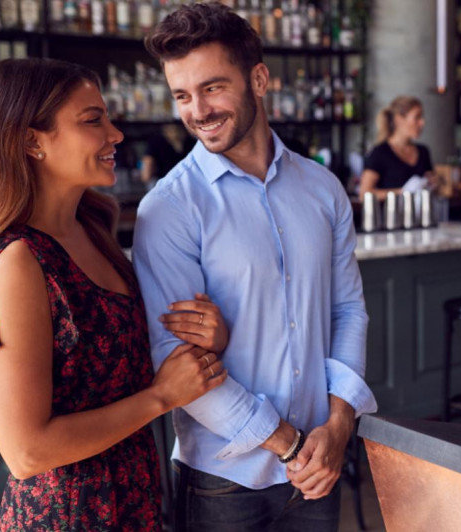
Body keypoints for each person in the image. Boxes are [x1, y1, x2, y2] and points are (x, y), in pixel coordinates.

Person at [0, 58, 228, 530]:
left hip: (134, 505)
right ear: (31, 141)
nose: (115, 134)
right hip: (66, 518)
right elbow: (26, 451)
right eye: (92, 120)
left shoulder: (94, 229)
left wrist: (207, 339)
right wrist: (161, 397)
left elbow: (124, 367)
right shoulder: (17, 260)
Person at [138, 4, 376, 531]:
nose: (197, 110)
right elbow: (177, 359)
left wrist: (338, 426)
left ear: (259, 79)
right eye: (182, 95)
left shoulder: (323, 189)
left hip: (319, 465)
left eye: (212, 88)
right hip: (225, 481)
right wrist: (288, 444)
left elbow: (347, 311)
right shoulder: (170, 208)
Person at [358, 95, 434, 200]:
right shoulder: (379, 153)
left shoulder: (423, 151)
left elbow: (430, 184)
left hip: (421, 215)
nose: (422, 123)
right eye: (417, 117)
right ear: (399, 119)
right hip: (391, 215)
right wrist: (403, 192)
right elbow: (364, 194)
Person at [140, 122, 196, 187]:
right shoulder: (193, 143)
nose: (175, 134)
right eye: (171, 130)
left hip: (165, 184)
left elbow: (147, 171)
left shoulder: (156, 143)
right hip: (188, 183)